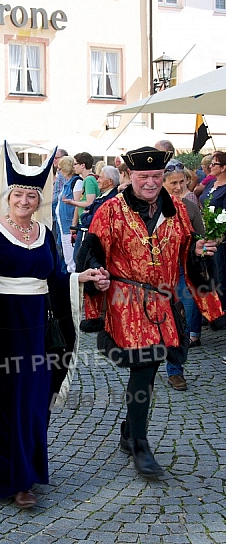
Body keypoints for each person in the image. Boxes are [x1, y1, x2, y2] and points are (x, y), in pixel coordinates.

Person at [0, 141, 97, 508]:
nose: (25, 201)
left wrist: (80, 279)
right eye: (19, 195)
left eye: (32, 196)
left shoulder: (46, 236)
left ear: (39, 200)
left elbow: (55, 279)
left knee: (31, 403)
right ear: (7, 195)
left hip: (37, 332)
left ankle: (26, 477)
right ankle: (2, 476)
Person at [76, 146, 226, 478]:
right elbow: (92, 253)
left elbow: (188, 250)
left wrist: (198, 249)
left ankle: (131, 429)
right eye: (143, 177)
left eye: (156, 176)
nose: (150, 182)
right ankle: (140, 445)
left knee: (148, 368)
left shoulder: (179, 211)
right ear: (129, 176)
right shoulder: (111, 210)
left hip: (164, 303)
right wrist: (97, 275)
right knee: (144, 368)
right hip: (125, 302)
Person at [162, 160, 205, 390]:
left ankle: (175, 371)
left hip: (180, 271)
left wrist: (208, 244)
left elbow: (201, 237)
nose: (178, 187)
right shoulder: (150, 207)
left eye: (181, 182)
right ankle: (144, 369)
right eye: (173, 183)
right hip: (152, 273)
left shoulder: (190, 208)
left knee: (181, 321)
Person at [199, 151, 226, 311]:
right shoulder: (210, 184)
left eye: (214, 164)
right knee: (206, 273)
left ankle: (221, 309)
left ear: (223, 168)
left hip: (219, 238)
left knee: (220, 274)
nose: (210, 166)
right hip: (205, 233)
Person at [62, 152, 99, 260]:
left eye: (75, 164)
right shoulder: (87, 179)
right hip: (83, 223)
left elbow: (90, 202)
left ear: (82, 165)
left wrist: (72, 202)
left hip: (86, 224)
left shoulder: (89, 180)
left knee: (78, 257)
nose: (73, 167)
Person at [55, 155, 82, 272]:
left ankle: (73, 283)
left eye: (60, 169)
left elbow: (77, 204)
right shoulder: (68, 182)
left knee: (71, 258)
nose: (59, 171)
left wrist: (73, 224)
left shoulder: (76, 182)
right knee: (67, 256)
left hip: (68, 224)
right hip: (63, 225)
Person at [78, 166, 120, 232]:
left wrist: (84, 215)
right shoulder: (103, 195)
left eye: (100, 177)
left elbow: (93, 221)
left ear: (110, 181)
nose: (97, 181)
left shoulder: (110, 199)